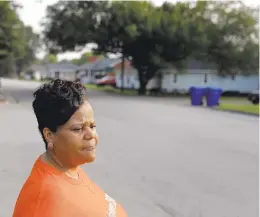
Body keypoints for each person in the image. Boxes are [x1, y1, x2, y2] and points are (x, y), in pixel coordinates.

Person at [12, 79, 127, 217]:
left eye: (92, 126)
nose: (91, 135)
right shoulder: (44, 201)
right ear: (49, 135)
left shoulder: (68, 167)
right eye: (78, 129)